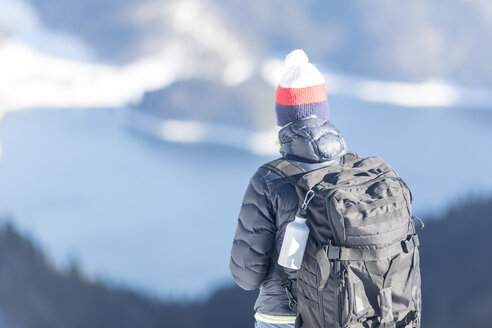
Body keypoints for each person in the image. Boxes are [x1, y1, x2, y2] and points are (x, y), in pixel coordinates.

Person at [229, 49, 349, 328]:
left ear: (282, 119)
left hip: (283, 317)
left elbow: (246, 276)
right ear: (324, 113)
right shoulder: (351, 170)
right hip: (345, 313)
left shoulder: (268, 180)